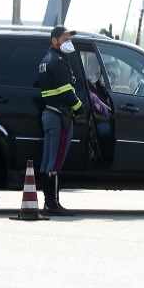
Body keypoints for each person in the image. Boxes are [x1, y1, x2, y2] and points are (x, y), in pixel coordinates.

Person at [35, 26, 84, 215]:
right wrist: (80, 108)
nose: (68, 42)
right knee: (55, 161)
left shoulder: (46, 61)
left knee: (49, 159)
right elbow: (66, 91)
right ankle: (52, 203)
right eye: (65, 39)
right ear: (55, 40)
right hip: (59, 116)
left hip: (50, 114)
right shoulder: (57, 61)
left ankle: (49, 202)